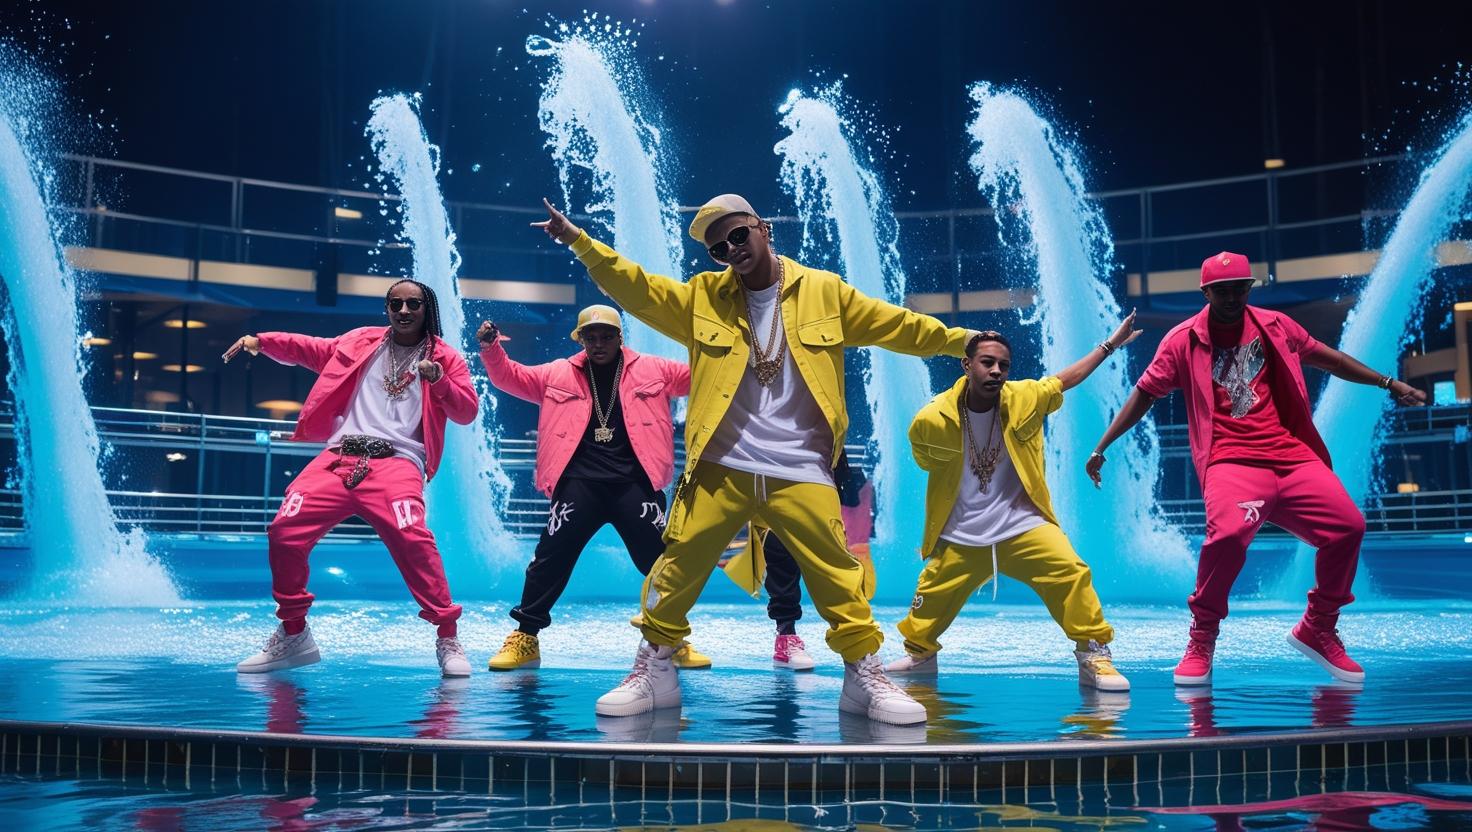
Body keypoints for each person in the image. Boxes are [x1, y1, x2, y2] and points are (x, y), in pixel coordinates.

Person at [533, 194, 976, 726]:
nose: (732, 249)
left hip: (801, 465)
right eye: (719, 248)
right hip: (722, 465)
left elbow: (898, 325)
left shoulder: (824, 291)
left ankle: (863, 675)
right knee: (676, 568)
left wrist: (965, 342)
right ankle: (654, 670)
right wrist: (579, 241)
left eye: (738, 235)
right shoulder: (703, 297)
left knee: (838, 576)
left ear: (763, 227)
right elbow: (637, 287)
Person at [1087, 252, 1427, 686]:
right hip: (1231, 461)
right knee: (1227, 536)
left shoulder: (1276, 326)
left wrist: (1388, 382)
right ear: (1206, 293)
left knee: (1348, 527)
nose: (1232, 298)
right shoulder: (1182, 340)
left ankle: (1318, 627)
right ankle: (1202, 638)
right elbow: (1144, 394)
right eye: (1222, 291)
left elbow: (1333, 360)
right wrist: (1102, 446)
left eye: (1239, 289)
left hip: (1292, 457)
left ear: (1249, 288)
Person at [224, 278, 479, 677]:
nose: (404, 311)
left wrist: (439, 380)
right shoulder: (361, 342)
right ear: (387, 308)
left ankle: (447, 636)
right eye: (396, 303)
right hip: (339, 456)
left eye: (413, 304)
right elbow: (311, 349)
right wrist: (263, 341)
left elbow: (466, 411)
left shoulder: (446, 357)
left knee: (413, 537)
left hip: (397, 462)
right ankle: (294, 634)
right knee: (284, 529)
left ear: (426, 308)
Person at [888, 321, 1140, 692]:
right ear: (966, 364)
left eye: (1003, 365)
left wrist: (1109, 345)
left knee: (1071, 572)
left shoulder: (1025, 397)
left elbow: (1066, 379)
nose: (996, 371)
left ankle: (1094, 655)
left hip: (1022, 523)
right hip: (963, 531)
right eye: (987, 362)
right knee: (931, 595)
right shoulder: (931, 419)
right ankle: (921, 655)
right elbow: (924, 459)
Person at [475, 305, 712, 671]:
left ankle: (671, 638)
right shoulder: (557, 372)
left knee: (661, 563)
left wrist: (720, 342)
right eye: (591, 337)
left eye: (606, 336)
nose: (599, 343)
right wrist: (491, 349)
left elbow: (704, 376)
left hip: (636, 483)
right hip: (578, 484)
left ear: (620, 337)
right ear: (580, 339)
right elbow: (510, 377)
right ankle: (526, 637)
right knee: (550, 558)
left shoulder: (654, 369)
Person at [722, 451, 873, 671]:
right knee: (778, 543)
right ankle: (786, 633)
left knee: (833, 558)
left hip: (817, 467)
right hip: (771, 466)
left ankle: (858, 646)